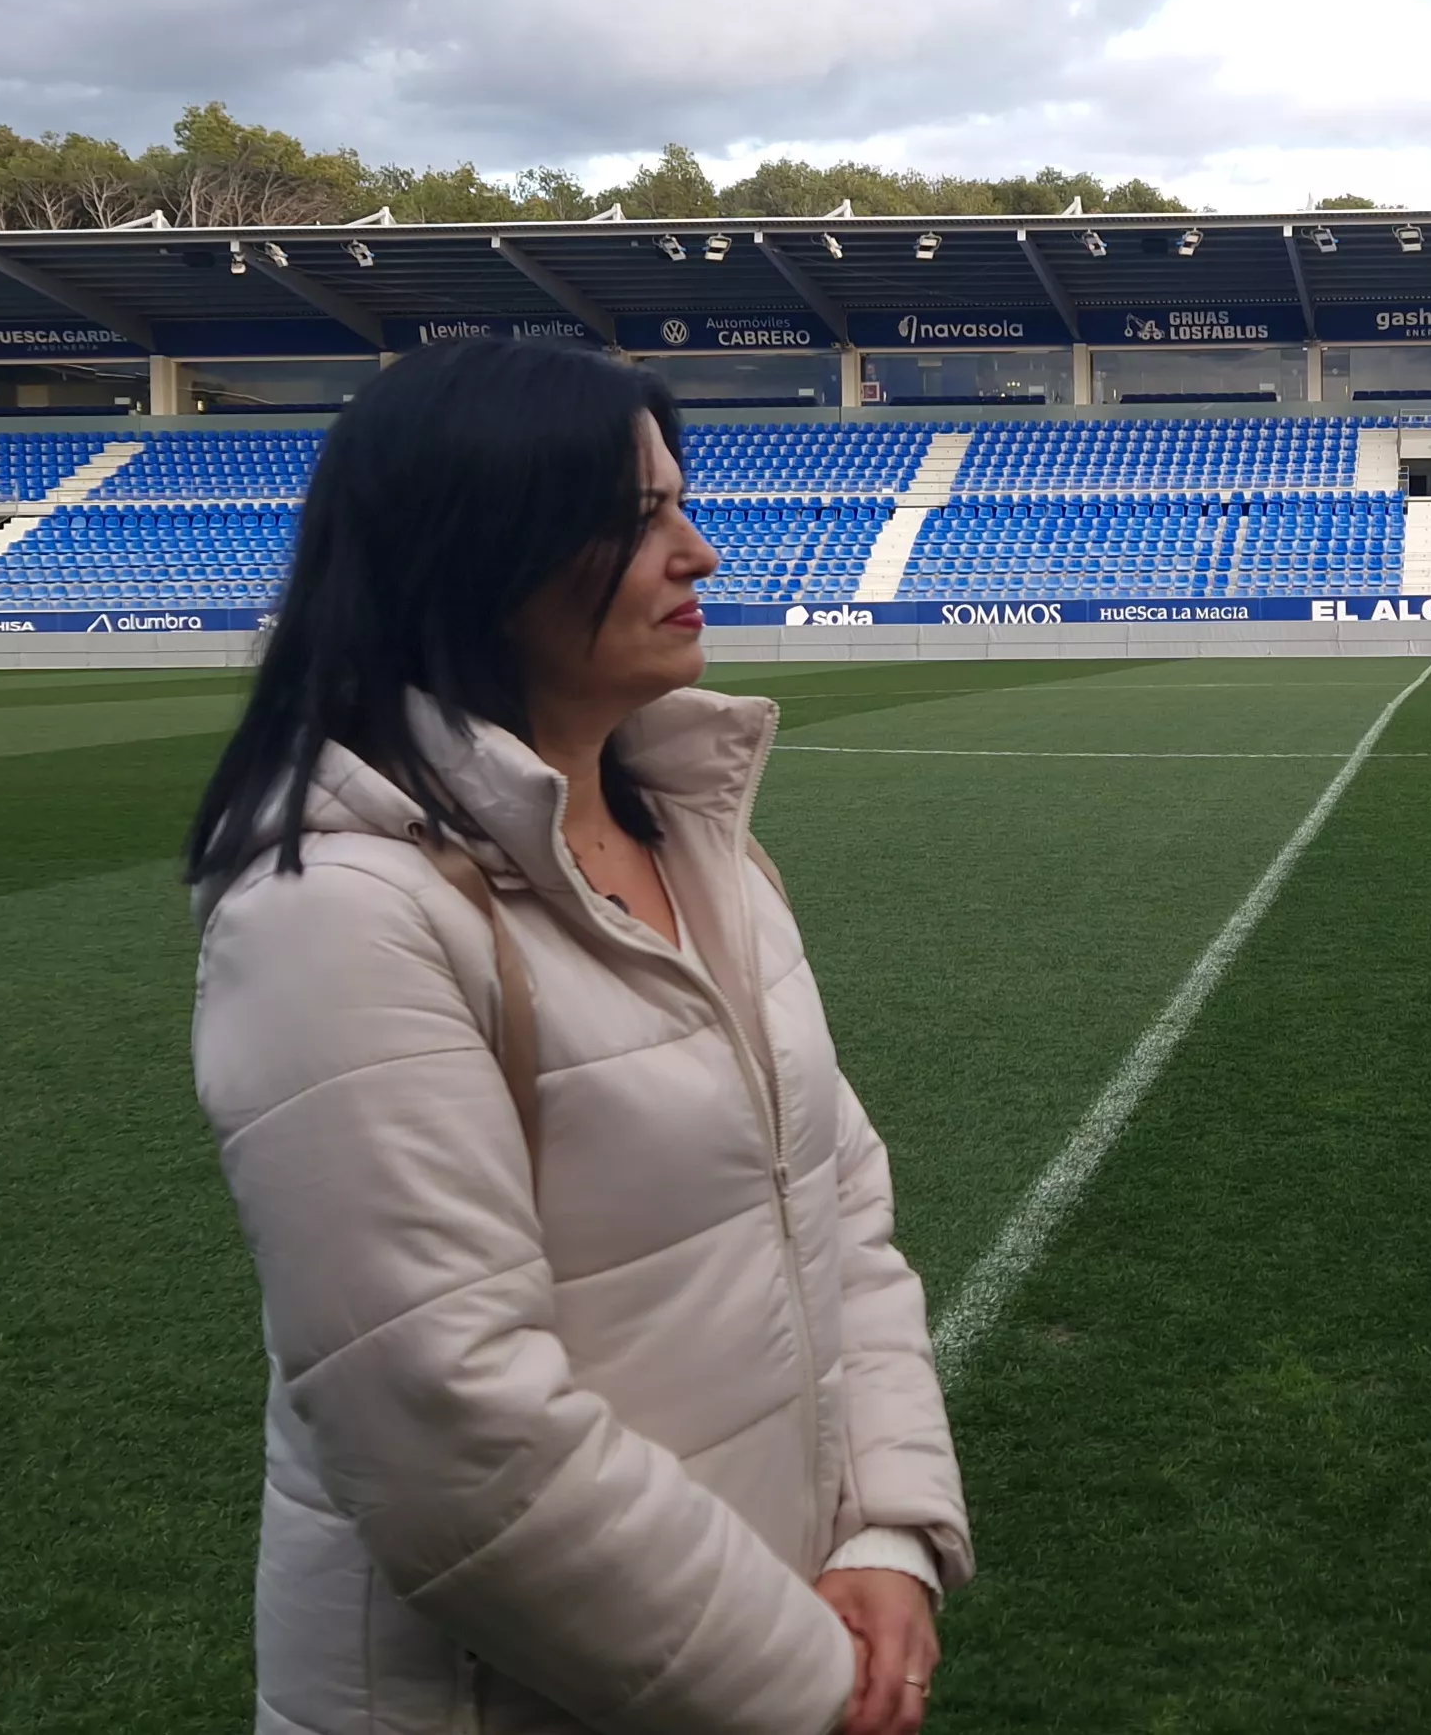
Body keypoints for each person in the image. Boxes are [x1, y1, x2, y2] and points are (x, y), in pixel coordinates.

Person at [188, 337, 965, 1735]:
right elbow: (451, 1431)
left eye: (682, 501)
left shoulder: (709, 848)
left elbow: (842, 1208)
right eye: (638, 516)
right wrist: (803, 1685)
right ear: (480, 547)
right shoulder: (341, 916)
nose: (701, 553)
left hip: (752, 1640)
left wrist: (886, 1534)